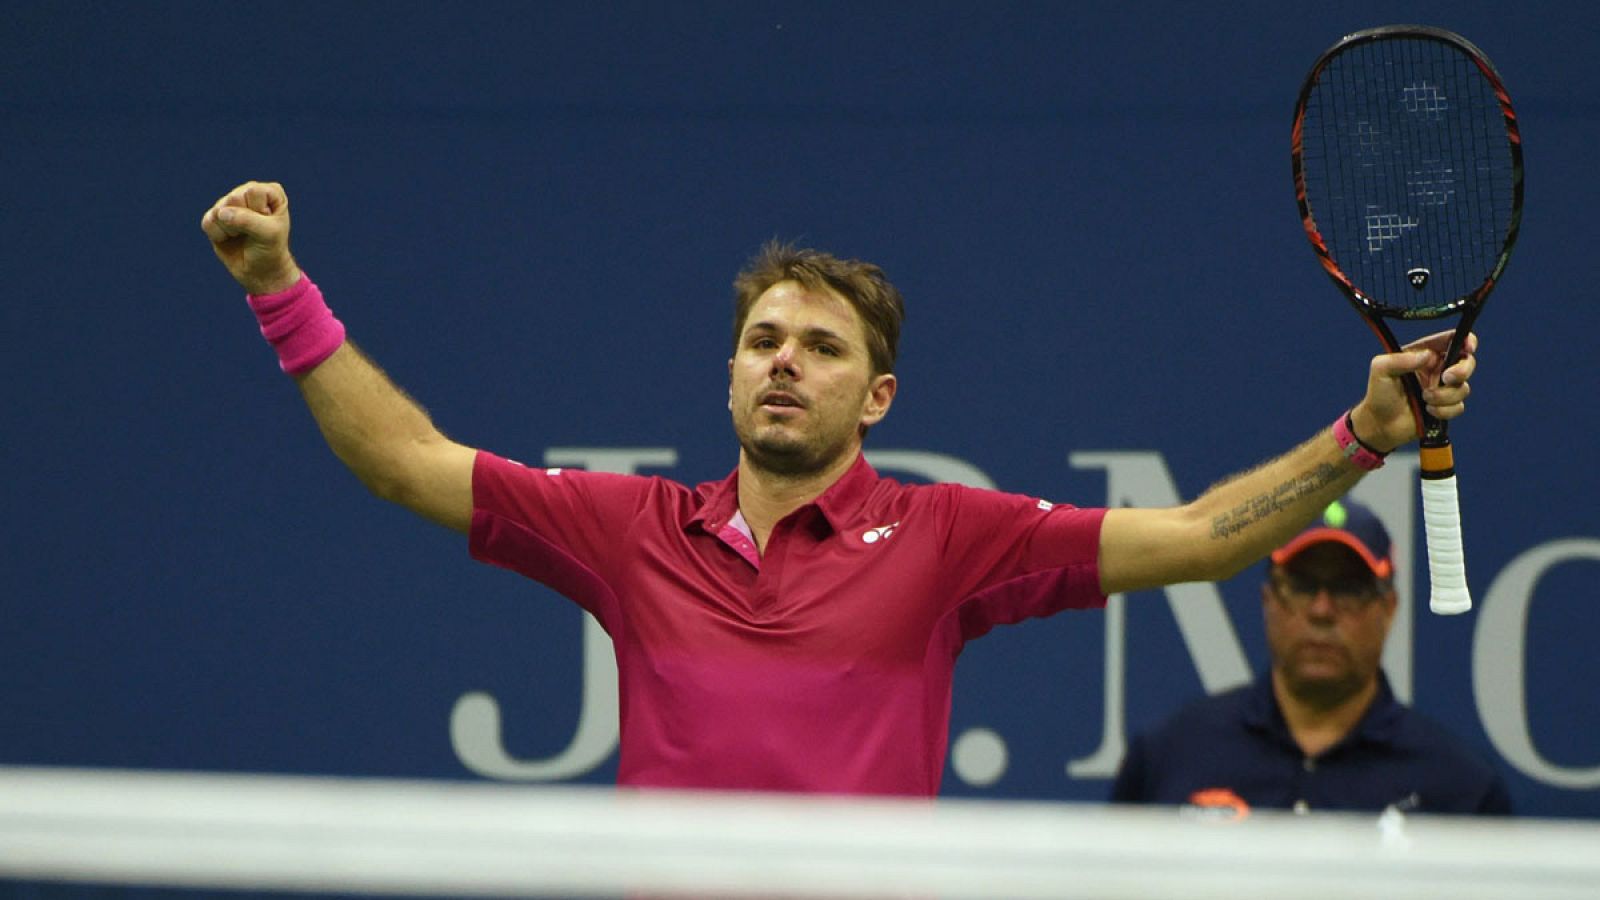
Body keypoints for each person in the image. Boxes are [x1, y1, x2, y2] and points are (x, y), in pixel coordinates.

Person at [201, 181, 1479, 797]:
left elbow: (1200, 537)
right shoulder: (627, 530)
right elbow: (404, 463)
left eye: (820, 348)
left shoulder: (948, 538)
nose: (783, 363)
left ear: (877, 398)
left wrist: (1358, 437)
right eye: (763, 340)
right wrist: (277, 288)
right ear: (727, 373)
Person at [1110, 498, 1512, 815]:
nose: (1321, 610)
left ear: (1388, 609)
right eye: (1301, 587)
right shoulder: (1170, 757)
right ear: (1268, 601)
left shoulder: (1459, 788)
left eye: (1349, 589)